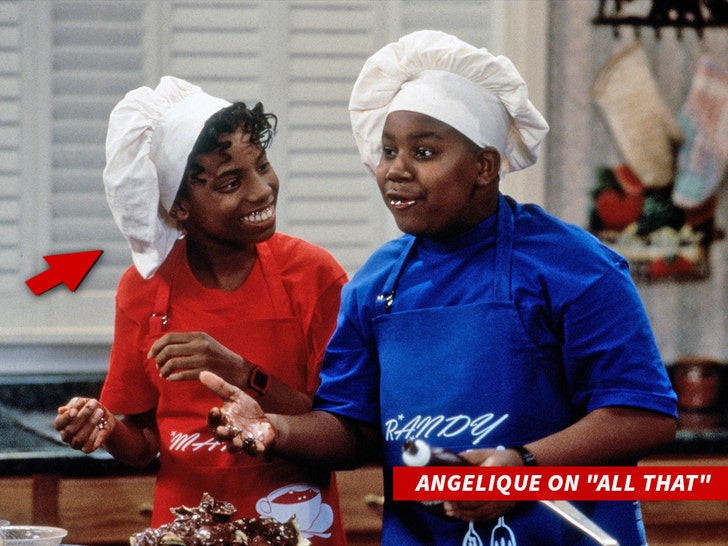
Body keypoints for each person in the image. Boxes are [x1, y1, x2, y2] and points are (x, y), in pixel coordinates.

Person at [200, 31, 678, 546]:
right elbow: (353, 429)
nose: (395, 170)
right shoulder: (376, 285)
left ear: (484, 167)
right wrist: (277, 429)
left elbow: (644, 416)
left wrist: (523, 467)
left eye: (424, 152)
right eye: (388, 151)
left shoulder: (573, 266)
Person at [53, 76, 348, 543]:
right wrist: (105, 427)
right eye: (231, 182)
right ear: (180, 207)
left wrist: (240, 372)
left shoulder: (312, 274)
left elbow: (343, 432)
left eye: (262, 166)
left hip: (298, 525)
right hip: (183, 530)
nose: (261, 191)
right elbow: (144, 444)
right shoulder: (143, 290)